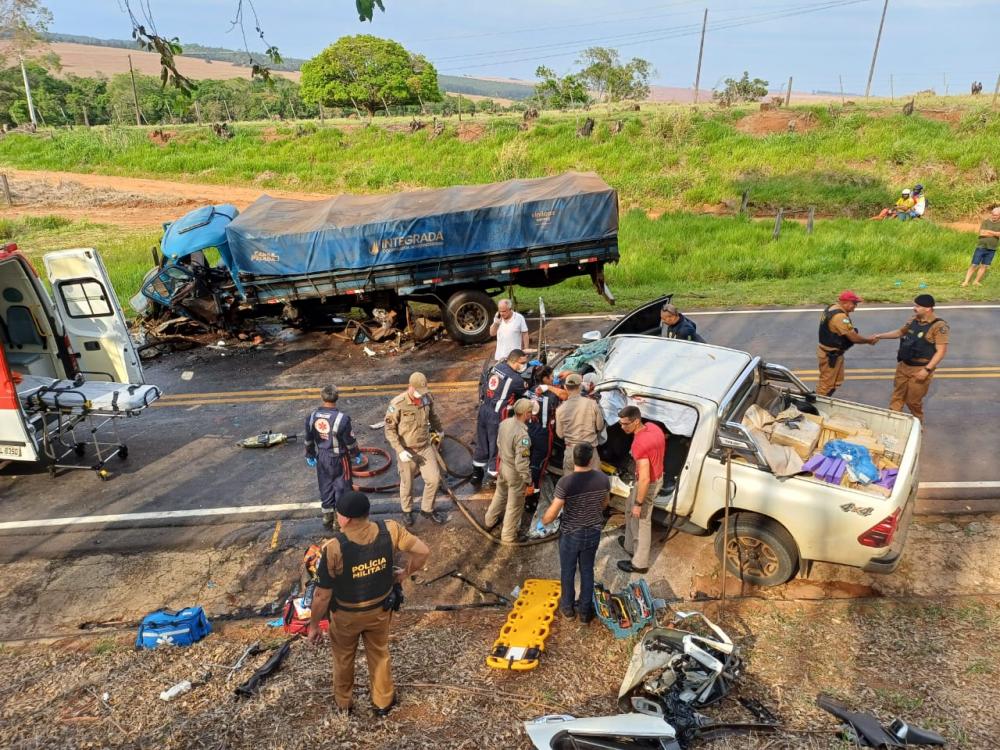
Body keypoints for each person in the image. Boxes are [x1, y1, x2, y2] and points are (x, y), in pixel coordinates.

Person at [307, 490, 430, 718]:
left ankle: (344, 703)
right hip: (379, 611)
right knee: (379, 654)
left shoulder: (333, 547)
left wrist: (314, 625)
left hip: (346, 616)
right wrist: (406, 573)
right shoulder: (390, 529)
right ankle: (383, 703)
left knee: (344, 658)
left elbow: (322, 596)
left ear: (345, 519)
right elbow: (422, 551)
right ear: (367, 513)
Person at [543, 443, 609, 623]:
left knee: (568, 571)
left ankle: (568, 609)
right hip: (593, 532)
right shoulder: (603, 479)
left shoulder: (566, 482)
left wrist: (544, 521)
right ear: (591, 459)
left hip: (571, 534)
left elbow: (551, 514)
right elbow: (604, 503)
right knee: (587, 571)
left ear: (573, 459)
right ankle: (585, 613)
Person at [872, 294, 949, 421]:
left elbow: (941, 351)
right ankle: (893, 423)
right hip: (904, 366)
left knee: (913, 401)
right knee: (897, 397)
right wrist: (879, 336)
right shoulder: (913, 320)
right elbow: (899, 332)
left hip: (920, 368)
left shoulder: (939, 326)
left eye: (918, 306)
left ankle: (918, 424)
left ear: (928, 308)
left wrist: (927, 370)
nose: (914, 308)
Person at [384, 372, 447, 526]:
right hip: (407, 450)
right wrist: (400, 450)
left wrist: (439, 429)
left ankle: (427, 509)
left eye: (423, 391)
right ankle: (407, 511)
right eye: (418, 391)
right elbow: (389, 430)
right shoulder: (397, 404)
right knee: (407, 483)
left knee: (433, 479)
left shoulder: (426, 398)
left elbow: (433, 416)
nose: (420, 395)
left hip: (425, 446)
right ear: (410, 387)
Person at [305, 385, 368, 529]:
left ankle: (327, 516)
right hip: (340, 459)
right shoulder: (342, 419)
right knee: (342, 488)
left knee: (325, 485)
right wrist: (356, 454)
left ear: (322, 397)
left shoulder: (312, 417)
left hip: (322, 458)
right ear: (337, 397)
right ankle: (339, 521)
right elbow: (350, 441)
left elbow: (308, 439)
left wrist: (310, 454)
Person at [616, 406, 666, 574]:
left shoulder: (639, 444)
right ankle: (629, 546)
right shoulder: (653, 427)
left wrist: (639, 503)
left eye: (625, 424)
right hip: (655, 477)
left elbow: (645, 478)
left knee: (641, 522)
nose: (622, 427)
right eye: (620, 423)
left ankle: (639, 563)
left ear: (636, 421)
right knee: (629, 510)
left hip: (647, 484)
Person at [471, 349, 529, 486]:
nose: (524, 365)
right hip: (496, 416)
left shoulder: (497, 367)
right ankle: (493, 476)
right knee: (496, 446)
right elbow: (526, 391)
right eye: (523, 362)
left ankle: (476, 474)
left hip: (484, 409)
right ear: (515, 361)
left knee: (482, 442)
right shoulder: (515, 379)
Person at [484, 398, 535, 543]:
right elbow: (521, 463)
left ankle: (489, 520)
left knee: (500, 494)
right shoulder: (523, 436)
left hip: (503, 466)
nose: (531, 415)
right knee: (514, 505)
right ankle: (508, 536)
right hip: (514, 473)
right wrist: (528, 481)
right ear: (525, 414)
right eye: (530, 412)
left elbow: (499, 443)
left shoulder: (504, 423)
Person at [816, 291, 877, 397]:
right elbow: (853, 337)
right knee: (826, 386)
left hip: (832, 354)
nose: (855, 307)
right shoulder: (840, 317)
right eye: (854, 304)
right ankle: (818, 405)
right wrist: (868, 340)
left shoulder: (831, 307)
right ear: (846, 303)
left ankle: (824, 399)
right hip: (830, 356)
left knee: (835, 382)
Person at [555, 372, 605, 474]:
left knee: (571, 485)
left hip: (571, 451)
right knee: (593, 485)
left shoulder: (560, 410)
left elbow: (560, 434)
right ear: (580, 386)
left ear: (565, 387)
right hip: (590, 451)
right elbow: (600, 426)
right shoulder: (592, 404)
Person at [527, 365, 564, 492]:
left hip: (529, 429)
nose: (553, 378)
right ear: (545, 379)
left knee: (527, 455)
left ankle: (526, 482)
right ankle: (535, 486)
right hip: (543, 434)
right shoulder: (552, 396)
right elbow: (565, 396)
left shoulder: (531, 390)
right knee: (540, 459)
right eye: (551, 377)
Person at [961, 206, 1000, 287]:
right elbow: (982, 233)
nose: (994, 216)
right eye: (993, 214)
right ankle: (966, 282)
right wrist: (995, 233)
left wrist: (989, 232)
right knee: (974, 264)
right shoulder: (986, 222)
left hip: (992, 248)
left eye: (996, 215)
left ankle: (976, 281)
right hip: (981, 247)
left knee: (985, 266)